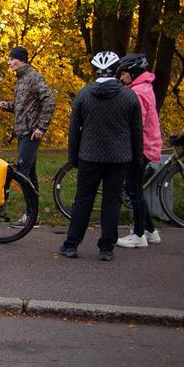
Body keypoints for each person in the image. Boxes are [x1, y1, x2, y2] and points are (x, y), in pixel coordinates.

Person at [59, 51, 144, 262]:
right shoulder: (129, 96)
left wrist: (73, 157)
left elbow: (74, 130)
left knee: (83, 199)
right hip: (119, 157)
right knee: (111, 201)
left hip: (89, 155)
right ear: (117, 70)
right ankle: (106, 248)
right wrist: (137, 159)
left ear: (94, 70)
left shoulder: (84, 94)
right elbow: (136, 131)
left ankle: (71, 244)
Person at [0, 46, 56, 226]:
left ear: (21, 59)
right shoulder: (22, 79)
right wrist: (8, 106)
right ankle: (34, 216)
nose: (9, 63)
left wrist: (41, 127)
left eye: (12, 59)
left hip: (31, 133)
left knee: (22, 173)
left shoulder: (32, 77)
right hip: (23, 132)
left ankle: (31, 216)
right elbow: (24, 106)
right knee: (29, 173)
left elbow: (50, 100)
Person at [115, 54, 163, 248]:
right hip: (148, 144)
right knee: (135, 188)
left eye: (124, 73)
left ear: (133, 73)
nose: (120, 77)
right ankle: (151, 231)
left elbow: (135, 123)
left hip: (140, 147)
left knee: (133, 190)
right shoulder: (144, 87)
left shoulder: (137, 92)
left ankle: (139, 234)